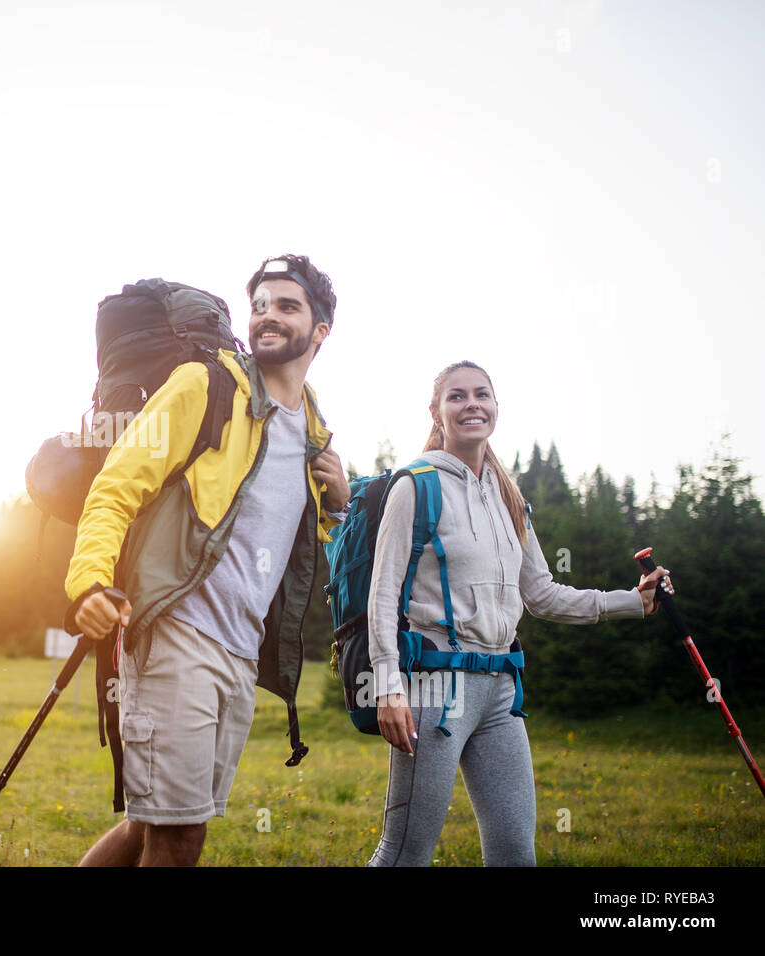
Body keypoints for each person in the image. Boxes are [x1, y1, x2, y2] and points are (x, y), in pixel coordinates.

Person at [67, 255, 350, 867]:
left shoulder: (314, 427)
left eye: (287, 306)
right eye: (260, 306)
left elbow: (294, 542)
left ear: (321, 329)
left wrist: (336, 504)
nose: (267, 317)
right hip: (178, 634)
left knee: (150, 827)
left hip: (240, 653)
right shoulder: (205, 384)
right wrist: (89, 580)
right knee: (180, 834)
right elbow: (116, 486)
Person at [367, 360, 673, 866]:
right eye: (458, 396)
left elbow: (545, 595)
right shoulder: (415, 486)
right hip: (436, 688)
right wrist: (388, 685)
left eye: (482, 395)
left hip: (501, 695)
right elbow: (382, 593)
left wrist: (632, 601)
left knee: (514, 851)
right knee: (404, 854)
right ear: (436, 412)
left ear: (495, 407)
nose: (471, 405)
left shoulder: (511, 499)